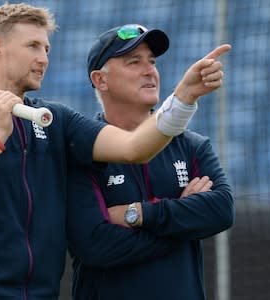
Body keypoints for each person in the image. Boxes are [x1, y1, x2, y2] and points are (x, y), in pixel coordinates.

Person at [0, 2, 230, 299]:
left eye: (47, 48)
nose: (44, 58)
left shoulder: (56, 120)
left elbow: (134, 147)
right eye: (33, 46)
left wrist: (184, 97)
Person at [66, 23, 235, 300]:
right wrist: (183, 218)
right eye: (134, 62)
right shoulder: (81, 152)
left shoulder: (191, 145)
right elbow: (96, 245)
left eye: (152, 61)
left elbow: (222, 210)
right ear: (100, 80)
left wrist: (138, 214)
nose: (150, 71)